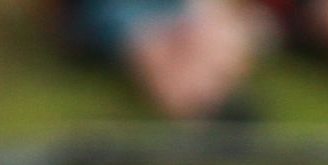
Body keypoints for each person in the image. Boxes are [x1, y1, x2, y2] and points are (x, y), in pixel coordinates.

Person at [50, 0, 264, 119]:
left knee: (217, 29)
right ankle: (201, 108)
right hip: (114, 11)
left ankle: (211, 99)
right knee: (153, 46)